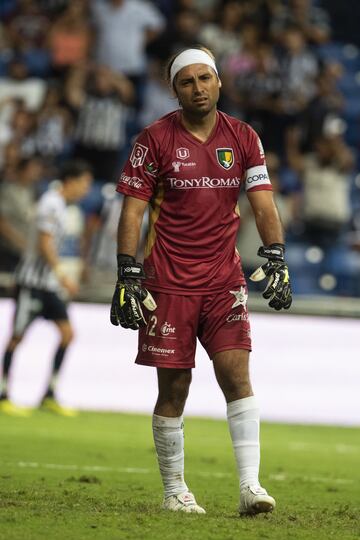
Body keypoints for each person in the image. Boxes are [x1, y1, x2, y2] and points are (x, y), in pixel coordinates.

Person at [110, 47, 292, 515]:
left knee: (237, 376)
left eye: (205, 79)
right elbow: (131, 209)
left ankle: (251, 487)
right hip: (167, 283)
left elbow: (263, 200)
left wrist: (276, 253)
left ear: (219, 83)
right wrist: (128, 269)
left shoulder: (244, 137)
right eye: (187, 81)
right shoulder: (153, 139)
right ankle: (175, 491)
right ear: (175, 89)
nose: (198, 88)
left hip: (223, 280)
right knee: (174, 390)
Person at [0, 159, 93, 417]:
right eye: (84, 183)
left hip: (48, 284)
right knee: (17, 337)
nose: (86, 189)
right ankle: (3, 393)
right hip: (32, 282)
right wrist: (63, 274)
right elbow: (44, 243)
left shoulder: (62, 206)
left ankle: (49, 395)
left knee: (67, 334)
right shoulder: (51, 203)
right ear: (70, 181)